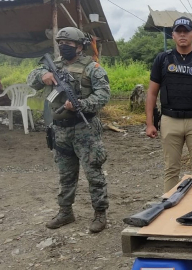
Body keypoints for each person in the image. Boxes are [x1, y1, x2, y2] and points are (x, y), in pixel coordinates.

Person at [27, 27, 110, 233]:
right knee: (65, 174)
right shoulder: (52, 66)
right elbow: (31, 80)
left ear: (79, 47)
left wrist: (81, 104)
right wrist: (43, 75)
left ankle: (100, 213)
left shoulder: (93, 68)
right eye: (61, 44)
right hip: (61, 130)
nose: (64, 47)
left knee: (94, 172)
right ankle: (65, 212)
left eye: (68, 44)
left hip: (85, 129)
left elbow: (103, 96)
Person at [145, 16, 192, 193]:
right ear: (173, 35)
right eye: (178, 31)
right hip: (170, 120)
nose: (182, 34)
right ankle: (168, 209)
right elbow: (151, 93)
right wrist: (149, 123)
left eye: (186, 31)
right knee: (171, 169)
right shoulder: (163, 59)